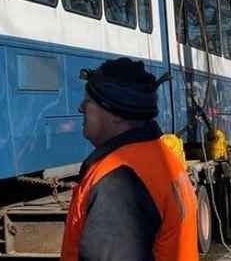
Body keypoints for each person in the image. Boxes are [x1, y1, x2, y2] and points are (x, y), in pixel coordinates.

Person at [62, 57, 198, 261]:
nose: (81, 108)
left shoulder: (118, 182)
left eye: (88, 101)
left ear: (116, 113)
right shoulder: (159, 157)